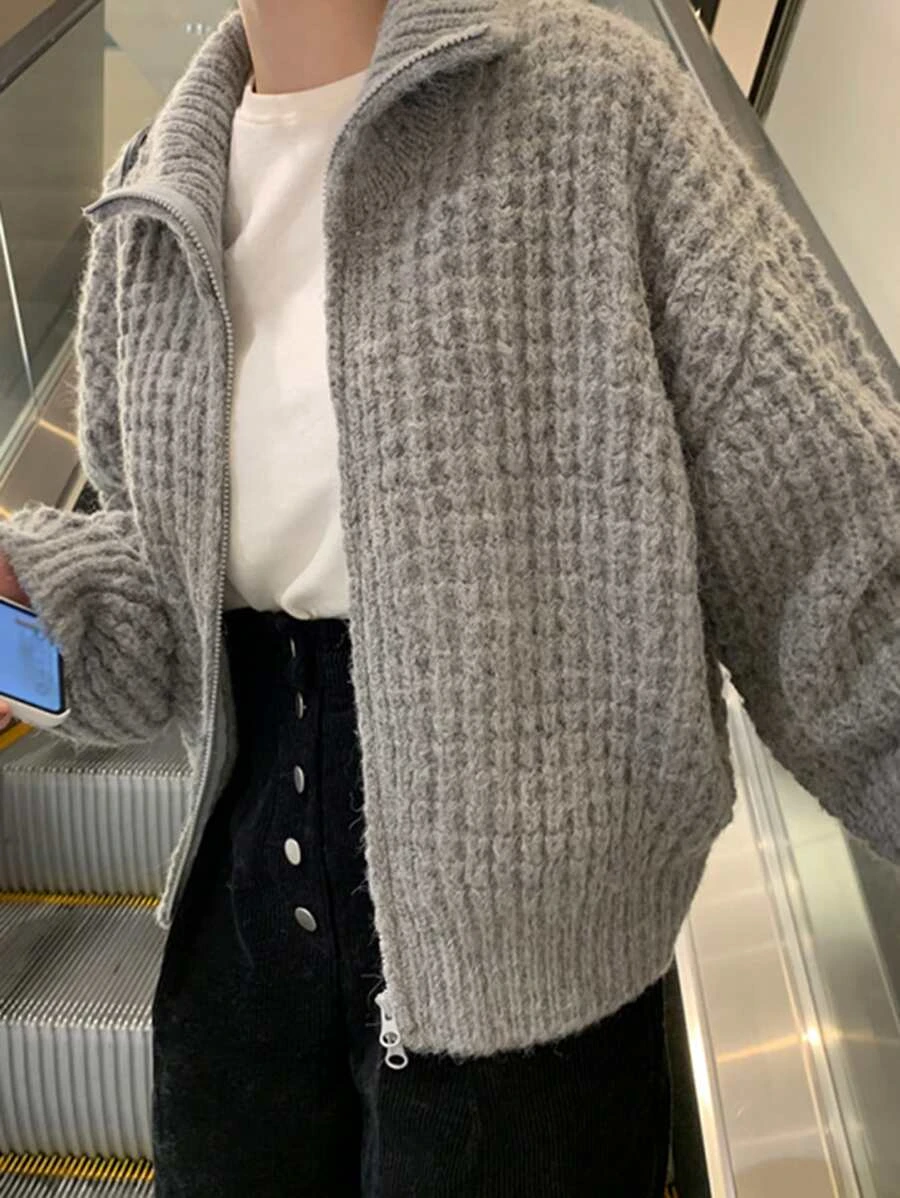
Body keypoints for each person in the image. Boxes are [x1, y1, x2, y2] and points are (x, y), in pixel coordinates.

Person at [1, 0, 898, 1193]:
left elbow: (840, 565)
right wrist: (21, 598)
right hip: (238, 966)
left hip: (532, 1005)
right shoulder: (151, 194)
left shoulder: (591, 105)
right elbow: (160, 636)